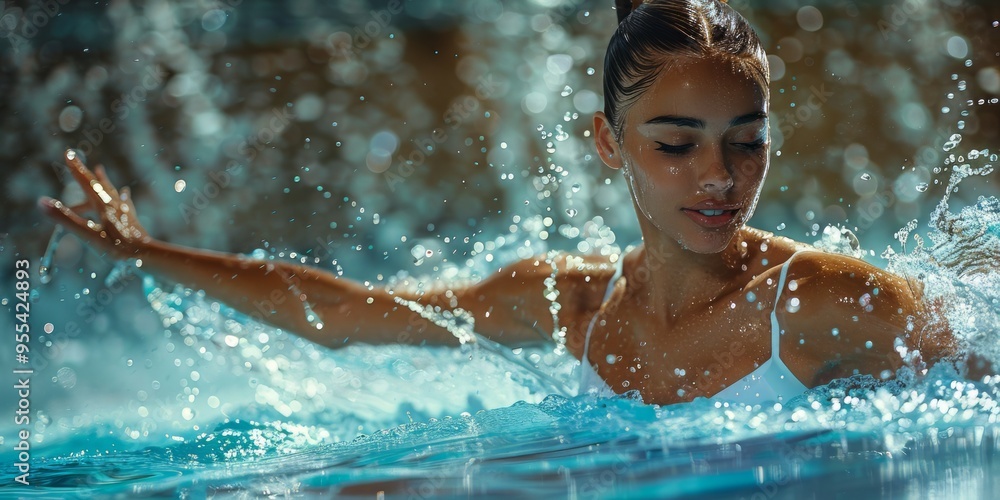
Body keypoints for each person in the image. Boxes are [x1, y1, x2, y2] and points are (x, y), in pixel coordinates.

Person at [39, 0, 966, 406]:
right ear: (608, 145)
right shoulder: (573, 304)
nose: (718, 176)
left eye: (747, 140)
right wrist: (145, 252)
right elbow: (347, 317)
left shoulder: (823, 304)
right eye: (676, 145)